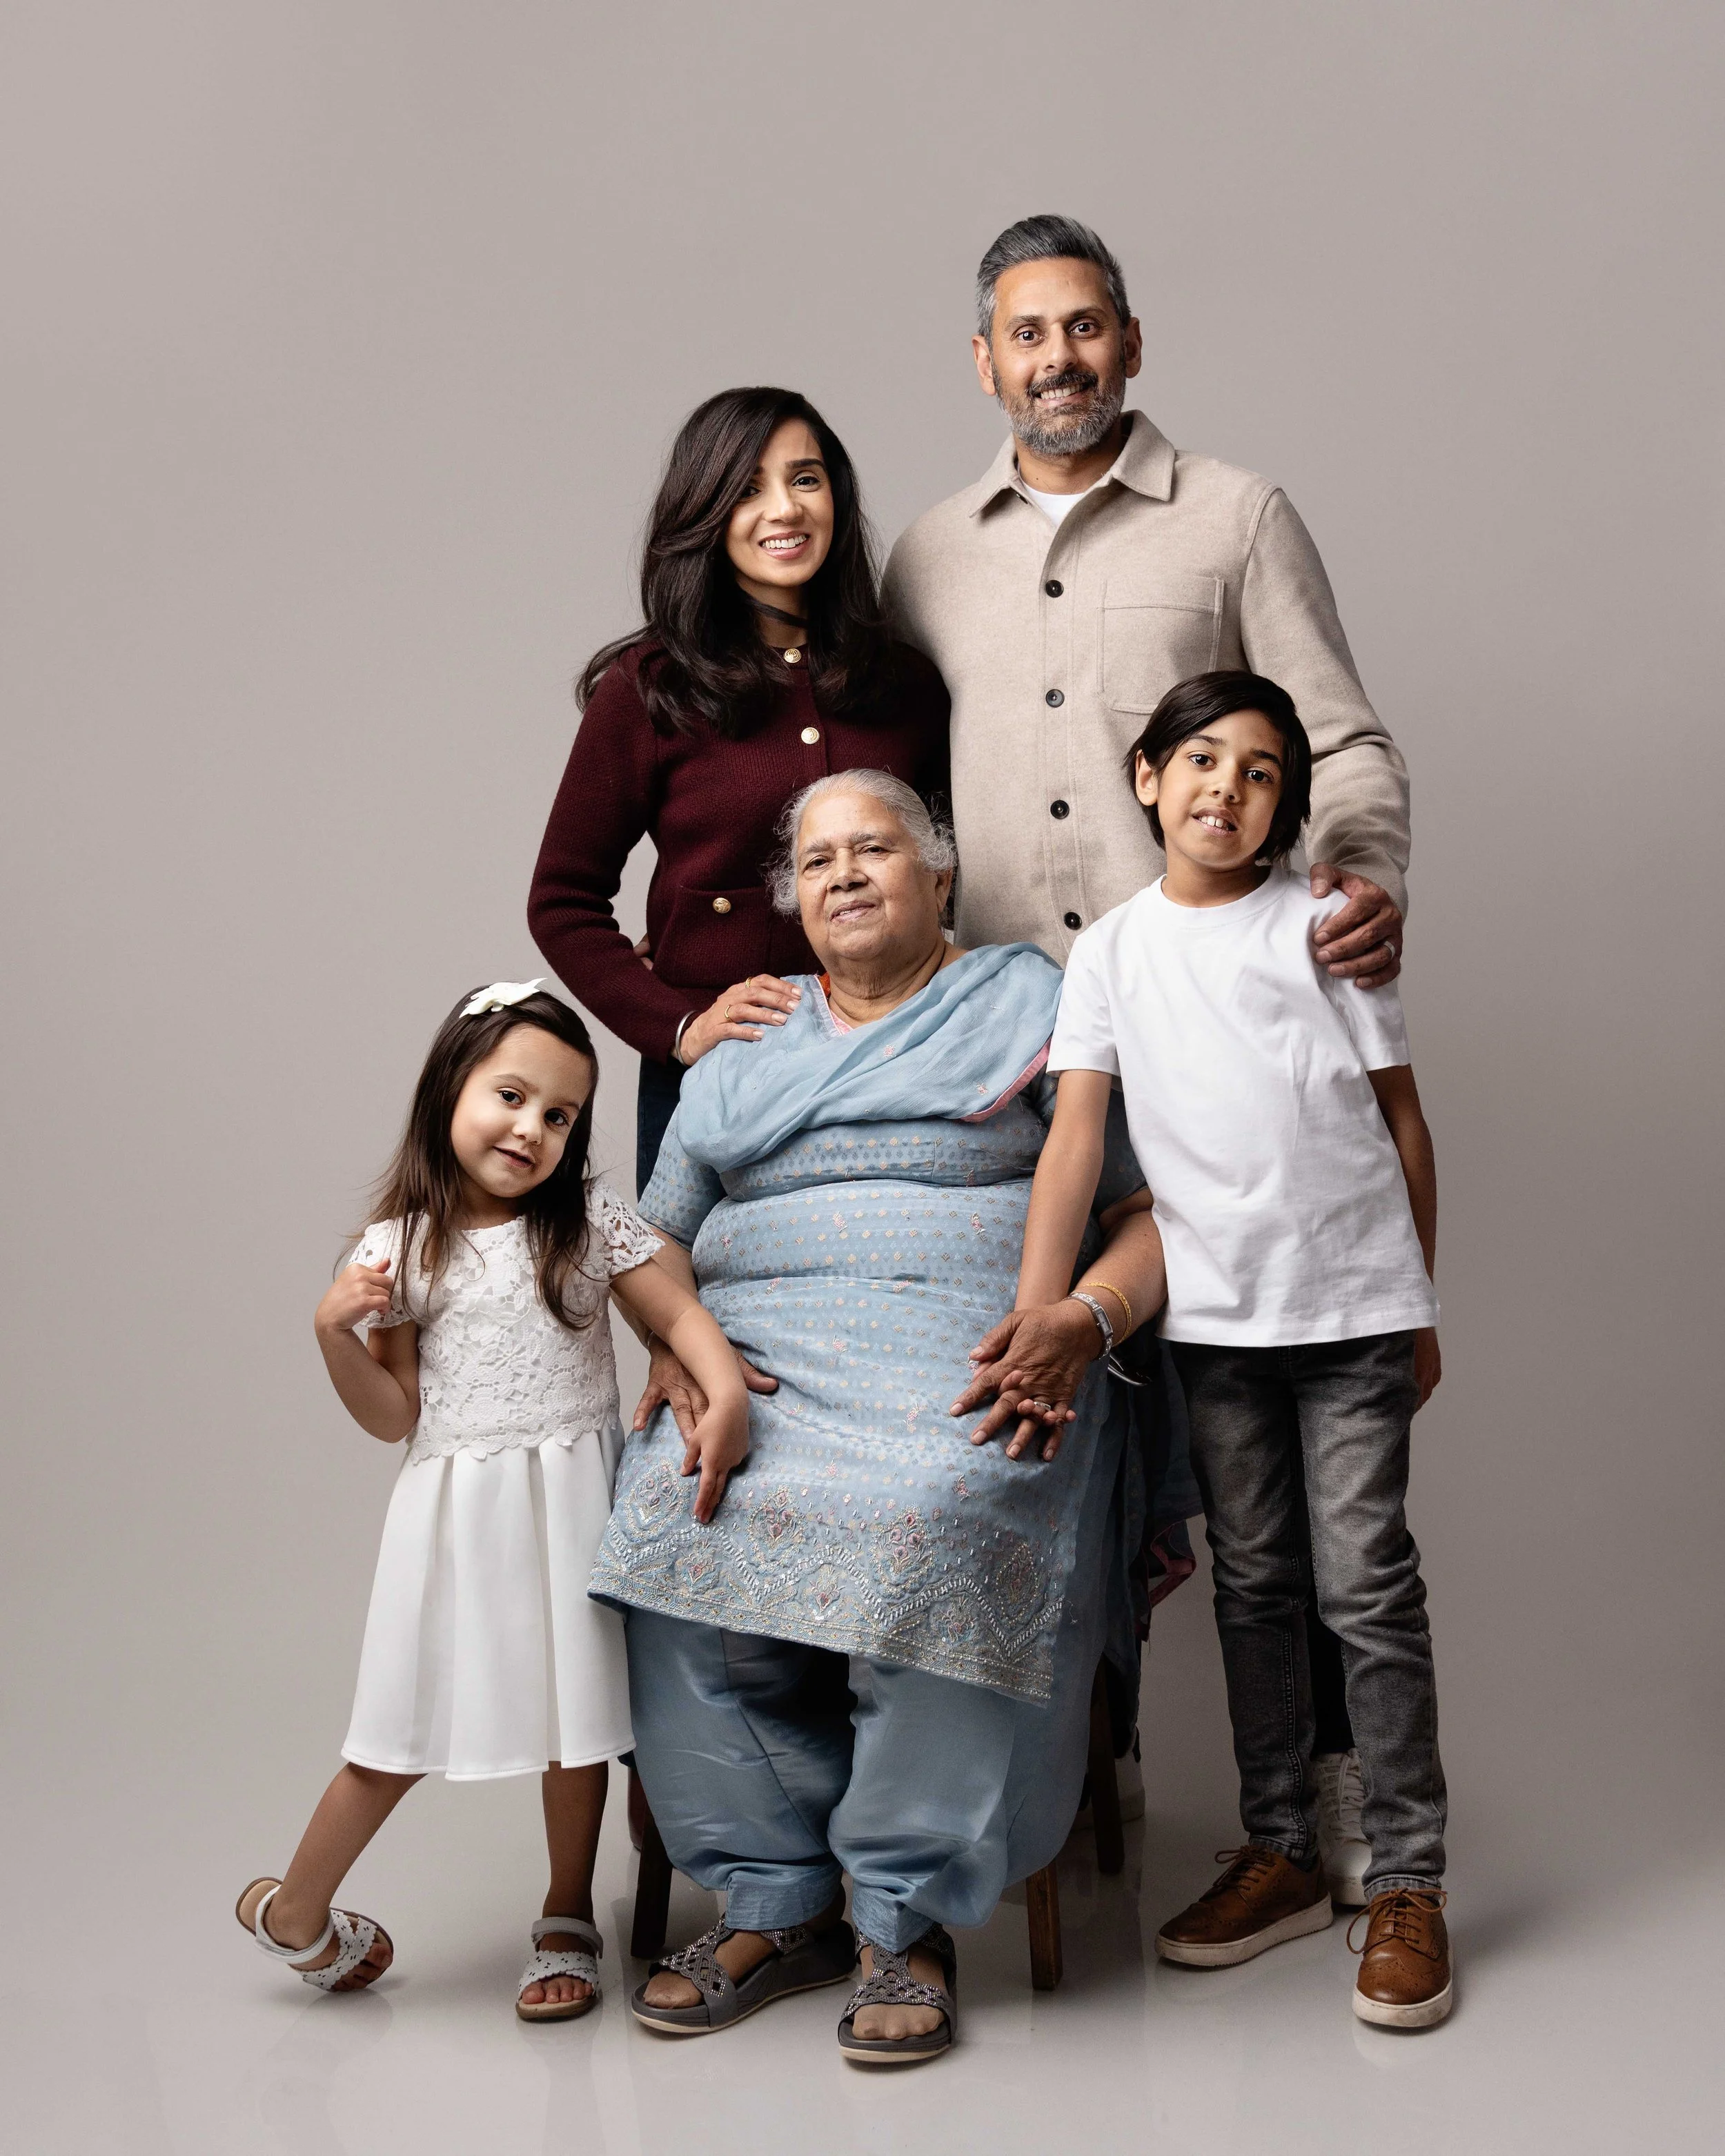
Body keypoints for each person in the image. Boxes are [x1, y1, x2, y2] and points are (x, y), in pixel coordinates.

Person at [883, 211, 1412, 1900]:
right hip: (1006, 1065)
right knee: (1051, 1411)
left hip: (1216, 1060)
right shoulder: (922, 554)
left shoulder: (1237, 516)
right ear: (984, 361)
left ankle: (1341, 1820)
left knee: (1263, 1471)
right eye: (1025, 334)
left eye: (1086, 327)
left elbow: (1337, 738)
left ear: (1132, 340)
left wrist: (1365, 876)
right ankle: (1078, 1792)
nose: (1059, 360)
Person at [586, 772, 1167, 2066]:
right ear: (790, 900)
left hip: (976, 1368)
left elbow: (1142, 1212)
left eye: (875, 847)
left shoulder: (1031, 1000)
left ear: (940, 874)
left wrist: (1088, 1323)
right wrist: (685, 1356)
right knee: (673, 1511)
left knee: (939, 1513)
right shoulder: (751, 1038)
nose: (844, 872)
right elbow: (646, 1236)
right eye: (816, 859)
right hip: (763, 1373)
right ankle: (774, 1899)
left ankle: (904, 1917)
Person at [1007, 671, 1451, 2029]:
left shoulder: (1319, 925)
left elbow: (1401, 1116)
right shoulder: (1113, 951)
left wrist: (1418, 1300)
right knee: (1254, 1580)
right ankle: (1283, 1850)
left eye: (1260, 771)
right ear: (1144, 775)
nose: (1225, 788)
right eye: (1200, 758)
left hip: (1353, 1310)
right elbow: (1078, 1133)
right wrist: (1041, 1308)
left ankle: (1410, 1883)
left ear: (1283, 807)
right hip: (1213, 1320)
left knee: (1364, 1579)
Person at [233, 982, 749, 2021]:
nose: (532, 1128)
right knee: (393, 1736)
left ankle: (565, 1911)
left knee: (576, 1726)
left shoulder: (588, 1224)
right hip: (456, 1521)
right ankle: (295, 1909)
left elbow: (677, 1316)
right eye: (511, 1095)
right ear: (448, 1088)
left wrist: (723, 1384)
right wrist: (333, 1331)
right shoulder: (398, 1247)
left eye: (560, 1115)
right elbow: (390, 1416)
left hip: (573, 1510)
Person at [529, 386, 949, 1198]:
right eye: (747, 488)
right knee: (697, 1316)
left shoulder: (906, 684)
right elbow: (561, 899)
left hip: (897, 1057)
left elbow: (947, 869)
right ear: (707, 513)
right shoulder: (651, 687)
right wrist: (677, 1027)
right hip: (720, 1075)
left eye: (805, 478)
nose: (782, 509)